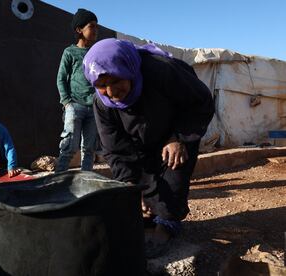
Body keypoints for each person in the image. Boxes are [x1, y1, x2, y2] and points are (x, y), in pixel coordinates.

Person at [83, 38, 215, 257]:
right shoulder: (102, 104)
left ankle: (166, 225)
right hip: (138, 142)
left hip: (177, 131)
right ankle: (150, 218)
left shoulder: (162, 71)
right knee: (140, 183)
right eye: (101, 86)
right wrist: (130, 188)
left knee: (173, 175)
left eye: (116, 80)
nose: (111, 91)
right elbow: (115, 149)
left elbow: (201, 102)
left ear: (128, 69)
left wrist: (178, 137)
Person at [55, 8, 98, 172]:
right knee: (69, 147)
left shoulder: (96, 52)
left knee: (89, 149)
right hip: (75, 106)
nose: (95, 30)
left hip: (94, 107)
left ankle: (85, 181)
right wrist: (67, 103)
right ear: (79, 29)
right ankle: (58, 180)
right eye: (91, 26)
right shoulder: (70, 52)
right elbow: (61, 78)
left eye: (97, 26)